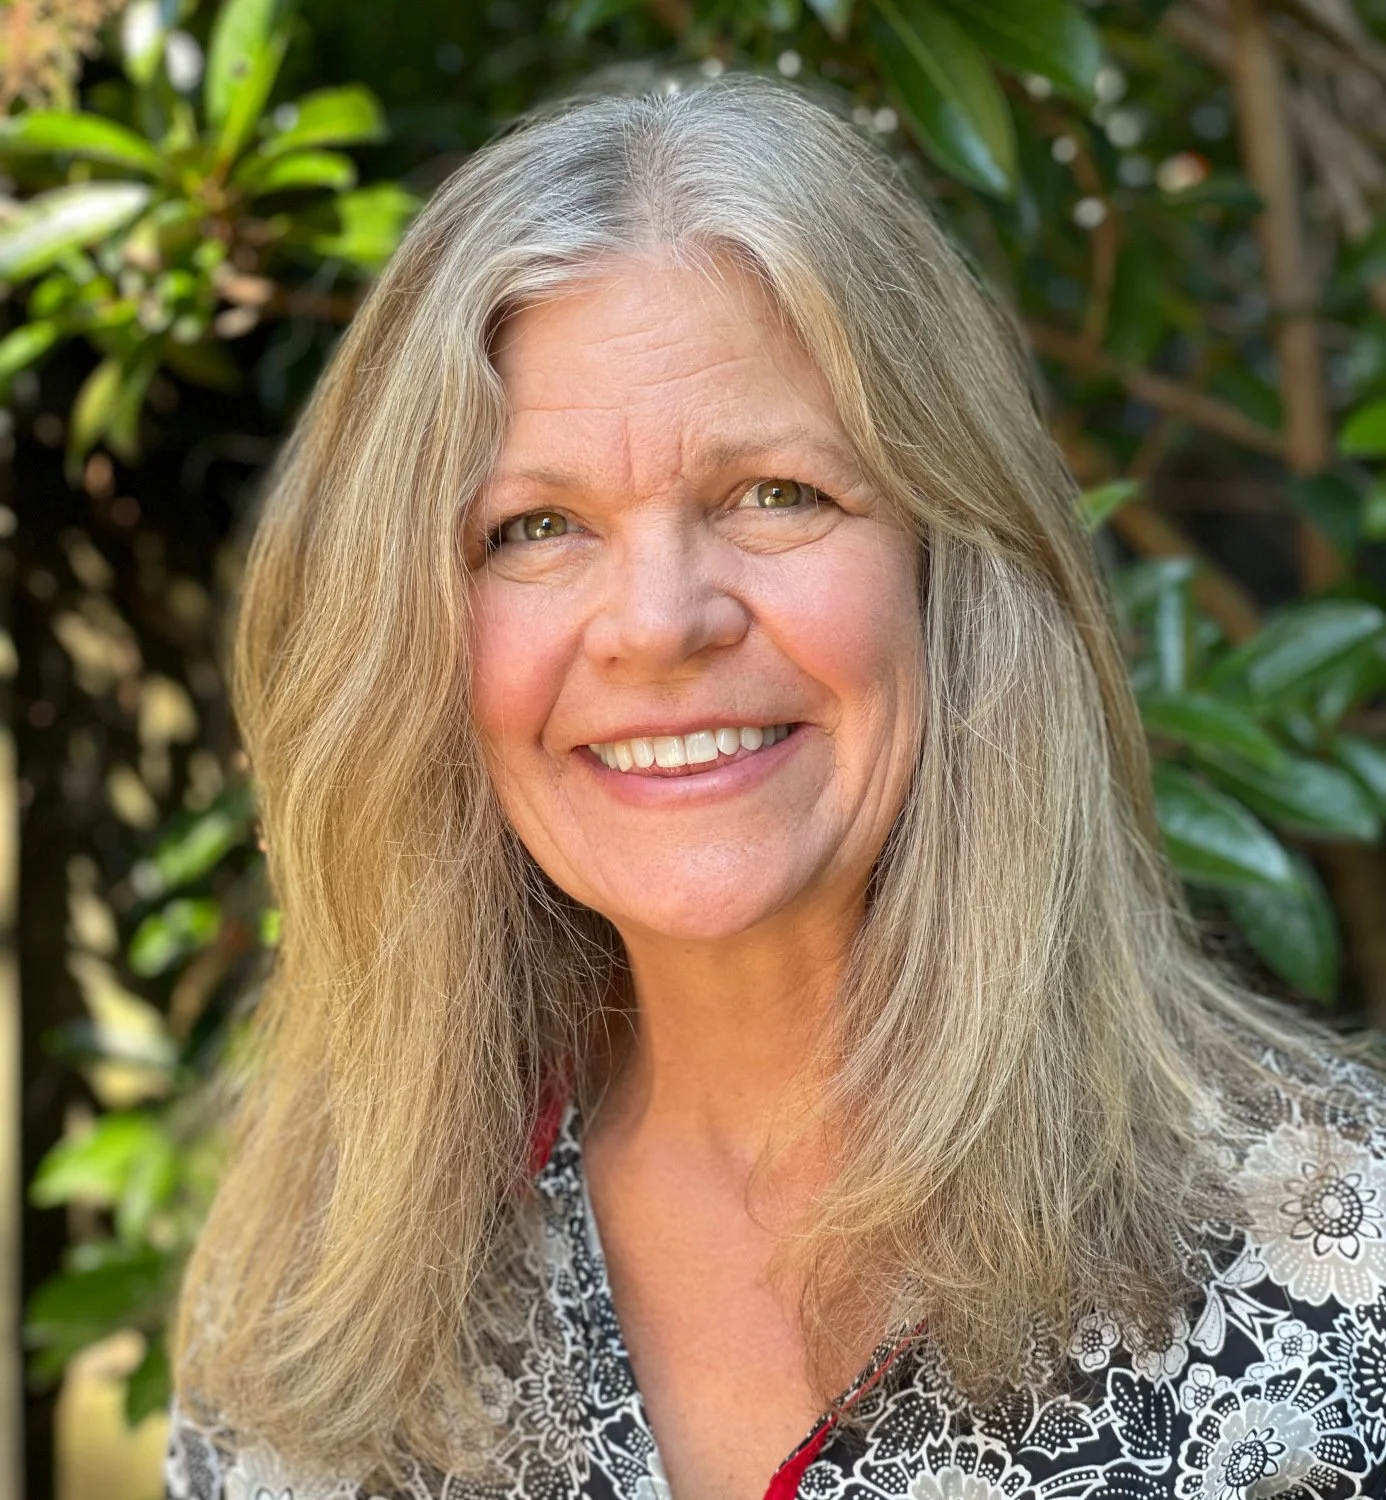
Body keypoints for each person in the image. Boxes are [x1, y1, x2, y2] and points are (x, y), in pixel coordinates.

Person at [164, 74, 1386, 1500]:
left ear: (951, 566)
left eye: (774, 494)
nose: (661, 620)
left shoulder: (1340, 1286)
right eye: (535, 526)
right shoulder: (313, 1318)